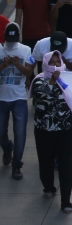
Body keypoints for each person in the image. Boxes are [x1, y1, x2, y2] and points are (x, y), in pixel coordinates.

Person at [31, 51, 72, 213]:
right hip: (45, 130)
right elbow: (41, 94)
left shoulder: (70, 79)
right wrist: (52, 80)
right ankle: (48, 186)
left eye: (58, 62)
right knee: (46, 160)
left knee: (65, 163)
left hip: (66, 129)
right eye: (52, 62)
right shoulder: (39, 80)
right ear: (45, 64)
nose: (56, 65)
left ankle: (66, 201)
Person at [0, 23, 32, 181]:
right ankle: (7, 148)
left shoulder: (25, 50)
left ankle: (17, 164)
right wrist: (4, 65)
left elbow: (29, 72)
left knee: (20, 133)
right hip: (1, 97)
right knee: (1, 131)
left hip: (18, 97)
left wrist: (17, 64)